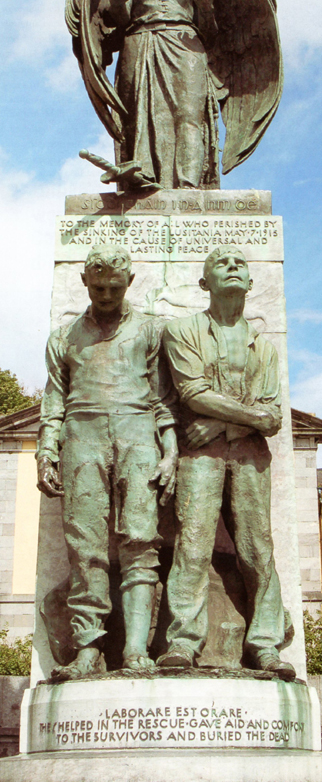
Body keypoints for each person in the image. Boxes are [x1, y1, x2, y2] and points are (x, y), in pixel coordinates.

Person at [37, 245, 178, 679]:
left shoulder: (152, 332)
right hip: (82, 436)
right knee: (86, 549)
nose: (106, 294)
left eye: (115, 287)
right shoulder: (64, 337)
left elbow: (163, 399)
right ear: (84, 282)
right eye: (98, 286)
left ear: (130, 283)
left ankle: (136, 648)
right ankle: (88, 649)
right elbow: (53, 400)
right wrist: (46, 451)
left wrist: (171, 451)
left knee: (140, 541)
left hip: (139, 434)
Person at [157, 245, 296, 681]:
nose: (233, 267)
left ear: (251, 284)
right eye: (222, 263)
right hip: (199, 458)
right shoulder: (182, 331)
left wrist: (222, 427)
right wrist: (250, 418)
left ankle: (266, 644)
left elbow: (271, 415)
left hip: (246, 454)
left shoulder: (265, 347)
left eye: (240, 263)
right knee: (193, 544)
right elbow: (192, 393)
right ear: (205, 283)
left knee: (258, 549)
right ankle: (183, 641)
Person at [108, 0, 221, 190]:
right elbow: (120, 24)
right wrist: (118, 3)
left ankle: (188, 186)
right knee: (140, 113)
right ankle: (143, 174)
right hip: (142, 43)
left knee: (189, 116)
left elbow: (210, 33)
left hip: (187, 47)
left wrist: (206, 4)